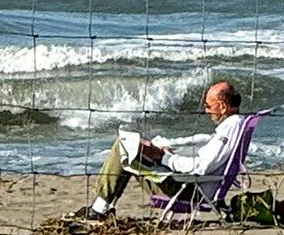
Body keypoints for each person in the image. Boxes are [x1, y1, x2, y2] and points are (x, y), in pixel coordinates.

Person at [76, 79, 247, 219]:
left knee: (124, 147)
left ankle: (99, 209)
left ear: (223, 106)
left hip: (188, 190)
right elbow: (209, 158)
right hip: (193, 184)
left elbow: (203, 166)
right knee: (133, 146)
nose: (206, 110)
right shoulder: (237, 124)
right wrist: (170, 152)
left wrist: (164, 158)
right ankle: (104, 206)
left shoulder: (230, 128)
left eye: (208, 106)